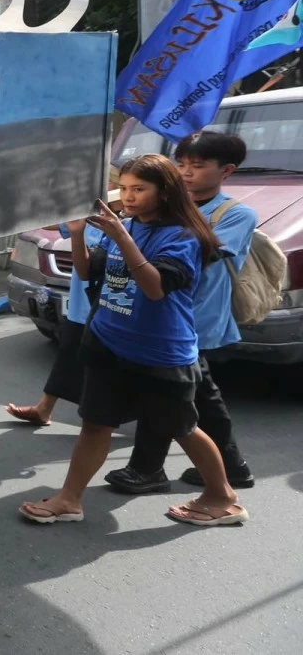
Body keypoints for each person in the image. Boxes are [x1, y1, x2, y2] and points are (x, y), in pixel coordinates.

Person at [19, 154, 249, 527]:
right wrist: (78, 233)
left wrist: (123, 237)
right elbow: (85, 270)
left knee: (182, 429)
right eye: (124, 188)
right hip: (110, 344)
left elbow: (156, 288)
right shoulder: (128, 226)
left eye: (139, 189)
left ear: (165, 192)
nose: (128, 197)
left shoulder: (182, 237)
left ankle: (223, 496)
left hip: (160, 353)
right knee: (95, 424)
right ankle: (69, 499)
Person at [105, 132, 258, 494]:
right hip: (163, 317)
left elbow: (202, 255)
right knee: (198, 393)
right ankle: (231, 466)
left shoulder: (234, 214)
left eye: (198, 166)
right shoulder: (161, 209)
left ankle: (147, 469)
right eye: (182, 164)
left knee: (169, 392)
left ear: (227, 171)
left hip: (195, 318)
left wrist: (163, 223)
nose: (187, 173)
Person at [5, 222, 105, 426]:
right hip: (80, 306)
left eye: (135, 188)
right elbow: (57, 225)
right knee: (68, 355)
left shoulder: (128, 224)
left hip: (108, 311)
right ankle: (44, 409)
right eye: (120, 187)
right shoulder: (89, 218)